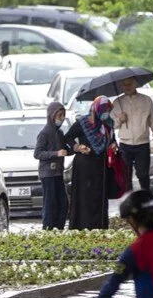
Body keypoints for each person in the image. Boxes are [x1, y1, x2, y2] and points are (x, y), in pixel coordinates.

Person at [64, 96, 116, 230]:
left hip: (101, 167)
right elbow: (68, 137)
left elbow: (112, 141)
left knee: (99, 197)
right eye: (104, 110)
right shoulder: (83, 122)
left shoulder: (108, 124)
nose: (106, 113)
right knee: (85, 197)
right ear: (96, 109)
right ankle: (82, 227)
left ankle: (100, 226)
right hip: (84, 166)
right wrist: (78, 147)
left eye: (108, 111)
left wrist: (113, 145)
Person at [112, 78, 153, 192]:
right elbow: (113, 125)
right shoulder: (117, 102)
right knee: (126, 176)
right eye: (124, 85)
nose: (127, 87)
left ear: (135, 84)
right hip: (125, 144)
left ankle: (146, 198)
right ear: (121, 86)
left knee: (143, 175)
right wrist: (120, 120)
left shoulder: (146, 100)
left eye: (129, 84)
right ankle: (129, 200)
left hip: (142, 143)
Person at [33, 101, 70, 230]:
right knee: (50, 203)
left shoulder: (59, 133)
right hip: (48, 174)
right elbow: (37, 153)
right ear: (52, 115)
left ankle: (58, 228)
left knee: (63, 202)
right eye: (59, 115)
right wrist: (55, 153)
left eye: (63, 115)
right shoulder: (45, 133)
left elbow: (65, 149)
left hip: (58, 172)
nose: (61, 118)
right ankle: (48, 228)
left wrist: (77, 149)